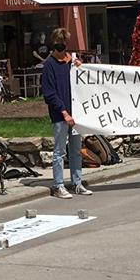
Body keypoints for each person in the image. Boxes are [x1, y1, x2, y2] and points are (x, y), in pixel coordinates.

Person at [41, 28, 91, 198]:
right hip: (60, 115)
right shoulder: (49, 65)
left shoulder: (72, 62)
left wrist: (80, 67)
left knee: (76, 150)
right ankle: (58, 185)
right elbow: (49, 93)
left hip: (76, 113)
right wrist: (63, 112)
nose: (61, 48)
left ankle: (77, 182)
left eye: (63, 44)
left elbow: (83, 82)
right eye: (58, 44)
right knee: (59, 151)